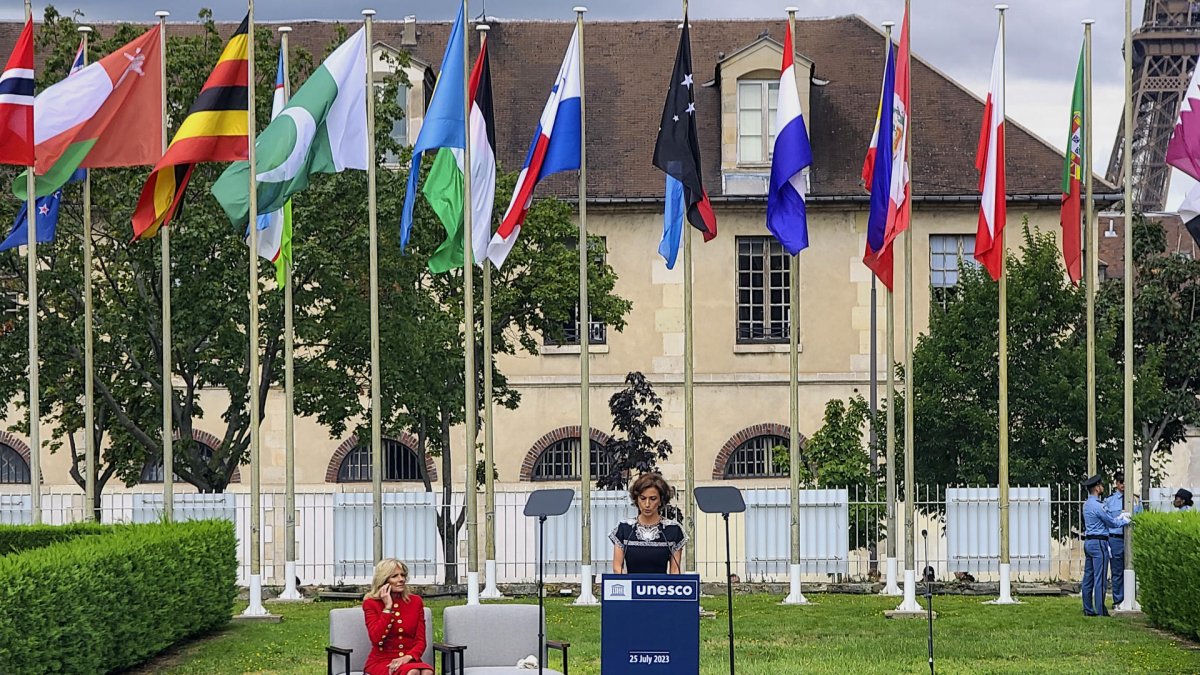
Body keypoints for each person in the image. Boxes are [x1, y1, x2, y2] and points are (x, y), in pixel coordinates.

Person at [362, 559, 433, 675]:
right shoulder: (371, 604)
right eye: (395, 576)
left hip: (409, 659)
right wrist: (387, 608)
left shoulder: (416, 602)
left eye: (403, 575)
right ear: (383, 580)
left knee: (427, 671)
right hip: (381, 661)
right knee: (412, 672)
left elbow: (420, 641)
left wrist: (408, 657)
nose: (401, 579)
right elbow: (376, 638)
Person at [610, 472, 688, 574]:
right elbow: (617, 567)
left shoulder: (673, 529)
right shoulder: (624, 528)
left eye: (653, 499)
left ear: (661, 500)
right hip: (631, 583)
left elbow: (675, 570)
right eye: (643, 498)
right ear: (636, 499)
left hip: (662, 584)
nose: (647, 504)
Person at [1081, 474, 1130, 617]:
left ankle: (1088, 608)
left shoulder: (1086, 504)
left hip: (1089, 542)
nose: (1102, 487)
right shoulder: (1098, 506)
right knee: (1100, 578)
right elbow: (1111, 523)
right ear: (1097, 488)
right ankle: (1101, 610)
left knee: (1088, 576)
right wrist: (1124, 520)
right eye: (1101, 485)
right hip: (1099, 543)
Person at [1104, 472, 1137, 606]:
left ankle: (1131, 598)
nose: (1123, 484)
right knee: (1117, 571)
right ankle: (1118, 600)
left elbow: (1139, 516)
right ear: (1116, 483)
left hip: (1130, 538)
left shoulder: (1134, 500)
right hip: (1116, 539)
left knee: (1131, 569)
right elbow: (1106, 520)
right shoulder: (1110, 501)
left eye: (1125, 481)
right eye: (1121, 481)